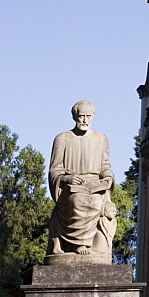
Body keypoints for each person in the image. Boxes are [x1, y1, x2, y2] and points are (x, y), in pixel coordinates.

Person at [47, 100, 115, 257]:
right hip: (72, 188)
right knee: (78, 201)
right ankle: (80, 243)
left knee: (98, 202)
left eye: (89, 116)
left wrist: (107, 178)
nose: (85, 120)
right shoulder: (62, 138)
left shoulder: (101, 139)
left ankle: (90, 243)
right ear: (74, 116)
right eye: (81, 116)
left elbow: (106, 166)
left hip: (95, 185)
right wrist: (68, 178)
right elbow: (54, 170)